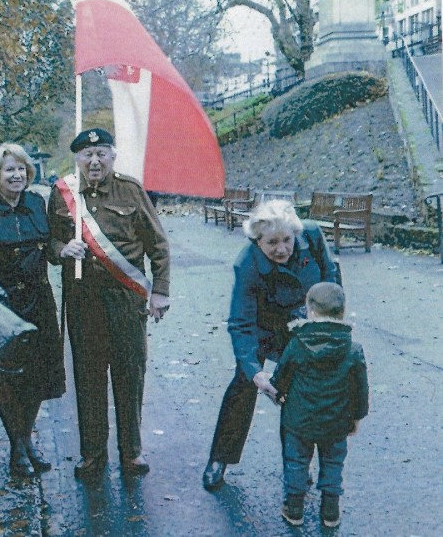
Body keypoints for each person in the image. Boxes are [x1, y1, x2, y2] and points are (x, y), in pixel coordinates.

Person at [48, 128, 170, 479]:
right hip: (83, 301)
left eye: (102, 153)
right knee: (87, 378)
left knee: (129, 375)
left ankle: (131, 452)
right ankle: (92, 454)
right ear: (78, 159)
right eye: (87, 155)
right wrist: (60, 250)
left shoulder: (131, 190)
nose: (95, 160)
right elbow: (49, 241)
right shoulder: (62, 195)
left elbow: (158, 245)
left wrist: (160, 291)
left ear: (113, 157)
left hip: (125, 300)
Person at [202, 199, 339, 491]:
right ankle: (219, 459)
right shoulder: (246, 263)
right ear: (257, 240)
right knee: (243, 385)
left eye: (287, 240)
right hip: (265, 325)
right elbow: (241, 323)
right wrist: (255, 371)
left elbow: (330, 277)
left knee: (302, 392)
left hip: (304, 322)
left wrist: (328, 319)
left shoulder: (312, 236)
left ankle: (298, 463)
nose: (281, 249)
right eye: (272, 242)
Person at [0, 143, 65, 478]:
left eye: (21, 169)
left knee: (36, 376)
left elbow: (49, 248)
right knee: (9, 378)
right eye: (9, 170)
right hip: (4, 307)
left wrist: (65, 250)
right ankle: (16, 447)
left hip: (39, 302)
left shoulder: (37, 203)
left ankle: (27, 440)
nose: (17, 175)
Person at [270, 282, 368, 528]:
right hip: (336, 420)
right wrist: (356, 417)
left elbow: (282, 375)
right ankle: (330, 511)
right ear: (343, 312)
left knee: (296, 461)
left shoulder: (297, 343)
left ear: (310, 311)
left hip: (298, 419)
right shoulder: (353, 350)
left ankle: (294, 508)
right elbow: (360, 389)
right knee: (333, 463)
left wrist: (277, 392)